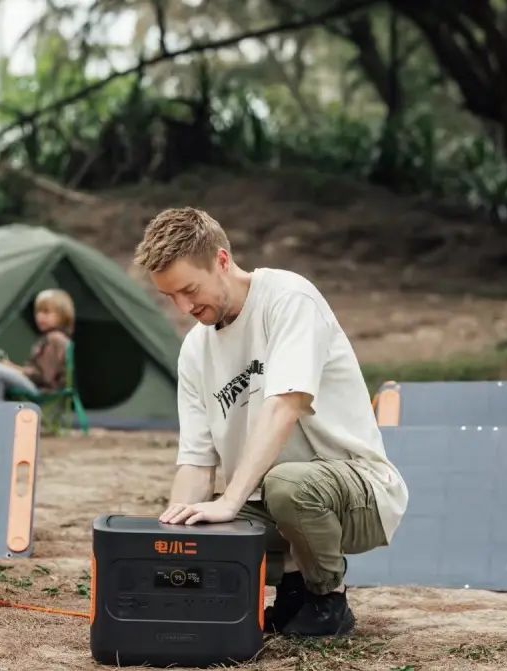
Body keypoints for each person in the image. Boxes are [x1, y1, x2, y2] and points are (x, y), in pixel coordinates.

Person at [133, 207, 408, 637]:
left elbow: (285, 406)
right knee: (193, 523)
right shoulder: (194, 351)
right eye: (171, 297)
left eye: (189, 289)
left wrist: (228, 502)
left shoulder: (288, 299)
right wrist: (175, 554)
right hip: (273, 501)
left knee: (287, 487)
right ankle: (294, 589)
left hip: (360, 492)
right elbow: (196, 461)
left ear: (222, 261)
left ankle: (327, 599)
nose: (183, 307)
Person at [0, 288, 75, 401]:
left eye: (46, 312)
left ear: (62, 315)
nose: (40, 317)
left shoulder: (56, 339)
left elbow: (44, 377)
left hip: (41, 390)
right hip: (34, 385)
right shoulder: (49, 338)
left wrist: (16, 369)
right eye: (37, 312)